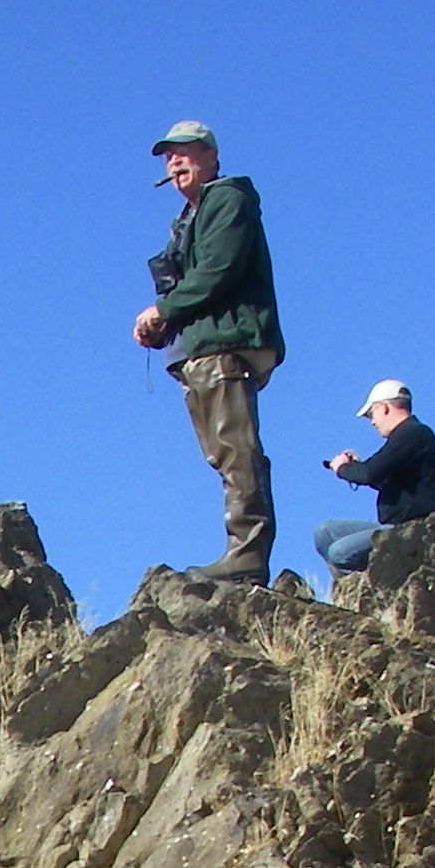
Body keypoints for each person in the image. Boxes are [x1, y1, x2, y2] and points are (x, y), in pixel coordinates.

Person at [132, 122, 285, 584]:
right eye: (169, 156)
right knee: (224, 451)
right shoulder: (188, 219)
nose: (175, 161)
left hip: (226, 345)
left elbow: (218, 268)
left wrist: (163, 309)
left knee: (235, 448)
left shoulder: (227, 200)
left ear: (211, 157)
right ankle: (242, 552)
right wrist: (167, 323)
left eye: (187, 152)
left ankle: (246, 554)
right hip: (201, 348)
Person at [315, 381, 435, 573]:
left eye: (371, 414)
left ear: (384, 408)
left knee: (339, 552)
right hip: (396, 528)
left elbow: (369, 473)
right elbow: (379, 475)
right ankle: (351, 587)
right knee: (324, 532)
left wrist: (343, 468)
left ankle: (369, 591)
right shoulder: (410, 437)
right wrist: (355, 467)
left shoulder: (412, 433)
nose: (372, 422)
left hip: (416, 530)